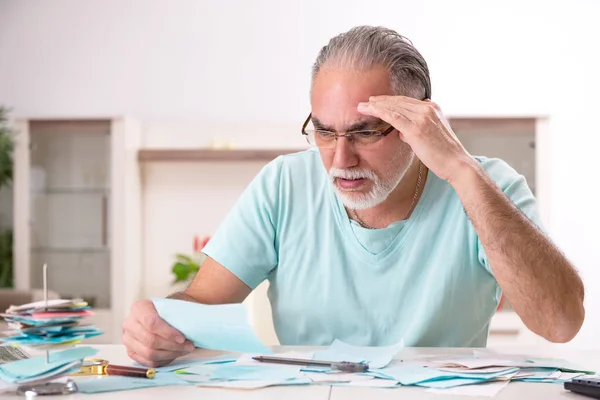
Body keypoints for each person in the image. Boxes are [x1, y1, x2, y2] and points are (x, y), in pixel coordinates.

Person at [122, 26, 585, 367]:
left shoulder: (489, 187)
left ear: (418, 124)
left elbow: (560, 324)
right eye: (324, 131)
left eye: (364, 132)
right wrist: (160, 323)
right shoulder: (283, 184)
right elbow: (203, 303)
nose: (340, 159)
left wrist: (462, 171)